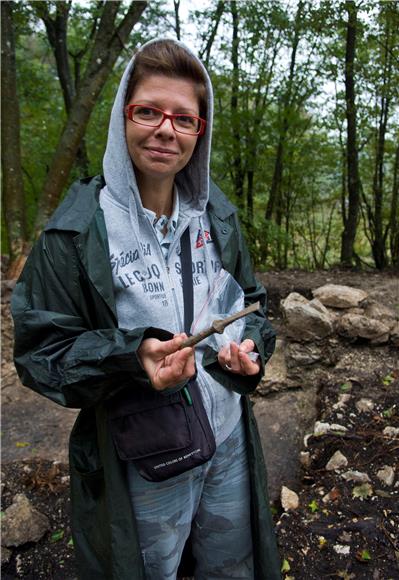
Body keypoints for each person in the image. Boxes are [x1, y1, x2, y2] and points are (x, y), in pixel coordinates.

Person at [12, 38, 281, 579]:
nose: (166, 129)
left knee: (232, 567)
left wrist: (250, 347)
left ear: (199, 133)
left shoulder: (217, 216)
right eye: (149, 111)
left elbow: (251, 304)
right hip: (143, 456)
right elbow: (41, 351)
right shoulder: (74, 233)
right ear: (123, 117)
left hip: (226, 438)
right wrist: (132, 358)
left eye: (184, 119)